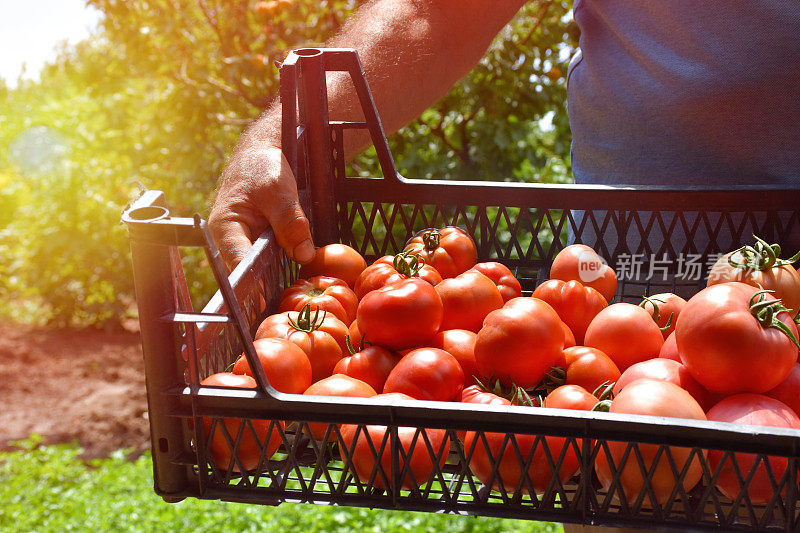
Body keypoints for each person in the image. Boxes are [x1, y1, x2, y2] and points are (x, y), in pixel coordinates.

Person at [208, 1, 800, 531]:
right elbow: (435, 10)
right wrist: (283, 142)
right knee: (626, 489)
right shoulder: (580, 344)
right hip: (622, 308)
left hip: (687, 327)